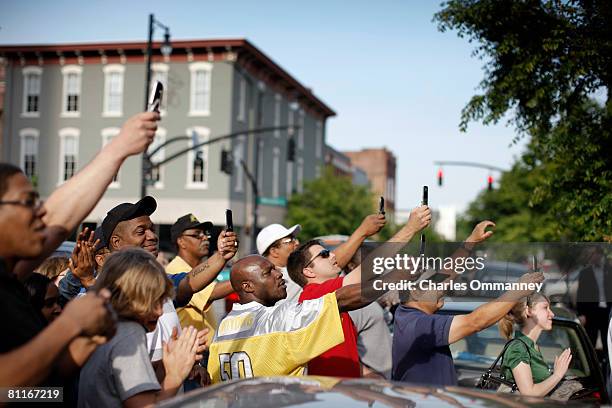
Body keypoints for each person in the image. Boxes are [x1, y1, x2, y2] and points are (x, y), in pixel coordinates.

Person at [0, 111, 158, 386]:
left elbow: (39, 389)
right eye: (28, 202)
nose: (41, 213)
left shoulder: (8, 280)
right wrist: (69, 325)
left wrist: (119, 149)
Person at [391, 222, 545, 386]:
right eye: (434, 284)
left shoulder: (407, 314)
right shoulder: (419, 325)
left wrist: (470, 242)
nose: (443, 287)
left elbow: (447, 275)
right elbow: (475, 322)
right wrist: (517, 291)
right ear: (415, 293)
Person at [287, 205, 431, 378]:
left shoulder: (330, 299)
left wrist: (368, 374)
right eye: (324, 254)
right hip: (331, 396)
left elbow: (343, 355)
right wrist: (410, 228)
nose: (333, 255)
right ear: (308, 271)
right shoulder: (313, 295)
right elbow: (370, 267)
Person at [101, 197, 237, 363]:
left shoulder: (161, 282)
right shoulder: (103, 294)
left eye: (151, 229)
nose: (152, 236)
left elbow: (189, 282)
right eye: (141, 231)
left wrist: (221, 255)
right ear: (117, 242)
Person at [207, 255, 374, 383]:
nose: (278, 274)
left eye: (275, 269)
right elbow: (341, 299)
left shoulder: (222, 328)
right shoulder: (278, 320)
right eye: (268, 272)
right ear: (247, 286)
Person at [78, 248, 200, 408]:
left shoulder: (105, 325)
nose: (160, 311)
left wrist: (166, 364)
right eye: (152, 301)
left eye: (162, 301)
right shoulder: (128, 335)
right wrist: (175, 375)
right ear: (128, 296)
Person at [256, 214, 386, 305]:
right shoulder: (281, 278)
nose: (296, 243)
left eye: (295, 239)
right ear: (273, 251)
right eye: (289, 240)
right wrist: (362, 231)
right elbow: (333, 262)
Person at [166, 214, 234, 338]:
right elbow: (212, 292)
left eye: (205, 233)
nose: (204, 238)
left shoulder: (195, 269)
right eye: (196, 234)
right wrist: (246, 278)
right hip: (188, 352)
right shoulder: (175, 268)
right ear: (181, 241)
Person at [498, 293, 572, 397]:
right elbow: (529, 393)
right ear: (529, 311)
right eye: (545, 308)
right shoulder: (518, 347)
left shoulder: (532, 346)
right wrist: (557, 375)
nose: (552, 314)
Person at [576, 247, 611, 355]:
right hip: (592, 312)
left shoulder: (609, 270)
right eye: (590, 255)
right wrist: (581, 313)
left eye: (594, 254)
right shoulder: (585, 273)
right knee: (590, 341)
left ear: (600, 255)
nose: (592, 257)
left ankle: (607, 366)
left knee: (608, 342)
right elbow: (581, 294)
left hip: (607, 311)